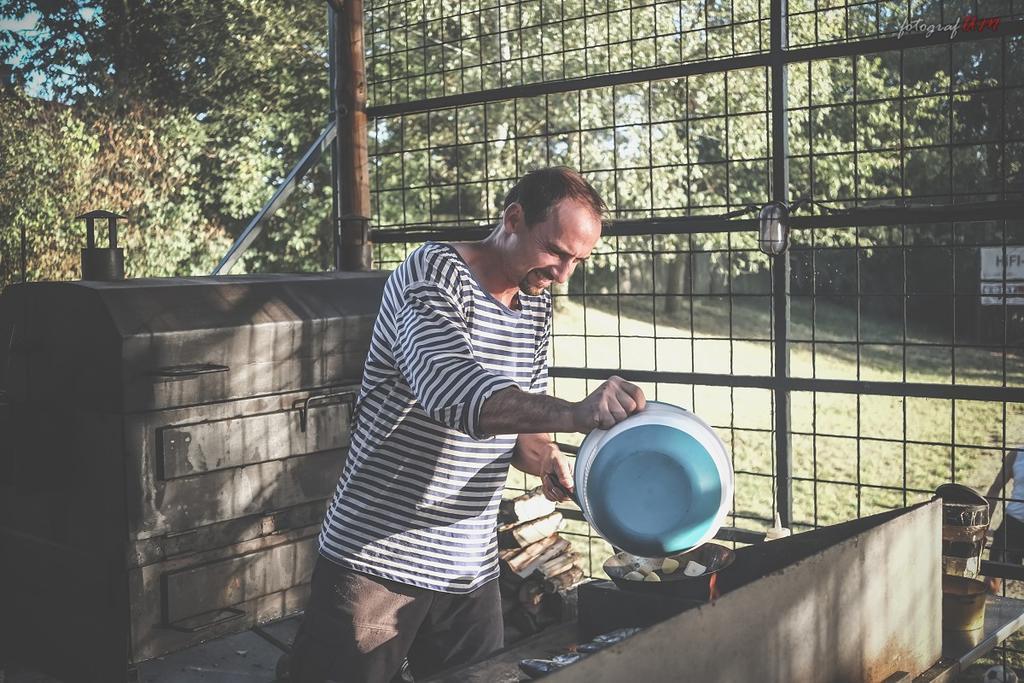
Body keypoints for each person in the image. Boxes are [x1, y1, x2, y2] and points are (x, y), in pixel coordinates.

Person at [286, 167, 647, 683]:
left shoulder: (534, 303)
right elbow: (453, 393)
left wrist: (546, 457)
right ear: (513, 218)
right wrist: (572, 412)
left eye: (577, 261)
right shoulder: (432, 272)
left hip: (468, 567)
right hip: (379, 557)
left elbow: (522, 431)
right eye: (556, 251)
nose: (564, 273)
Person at [985, 447, 1024, 594]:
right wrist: (984, 525)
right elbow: (995, 488)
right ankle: (985, 615)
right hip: (1013, 524)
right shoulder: (1017, 454)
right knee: (990, 583)